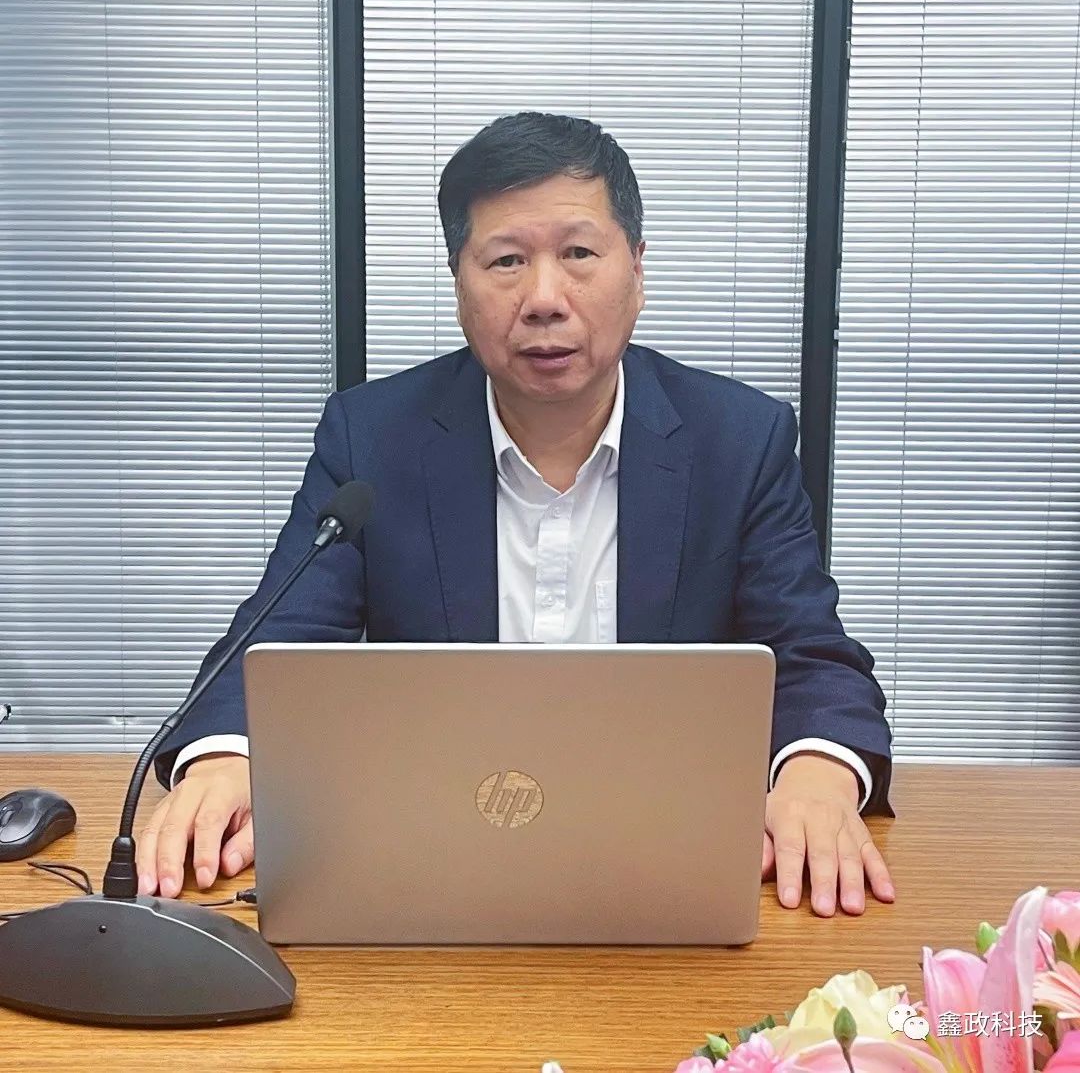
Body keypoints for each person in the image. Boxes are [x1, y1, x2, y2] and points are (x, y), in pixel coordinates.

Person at [137, 111, 895, 919]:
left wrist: (816, 774)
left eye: (579, 254)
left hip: (662, 869)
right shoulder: (373, 438)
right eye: (506, 261)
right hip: (435, 869)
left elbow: (810, 652)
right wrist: (227, 759)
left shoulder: (738, 440)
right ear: (458, 281)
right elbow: (276, 638)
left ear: (637, 269)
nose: (544, 299)